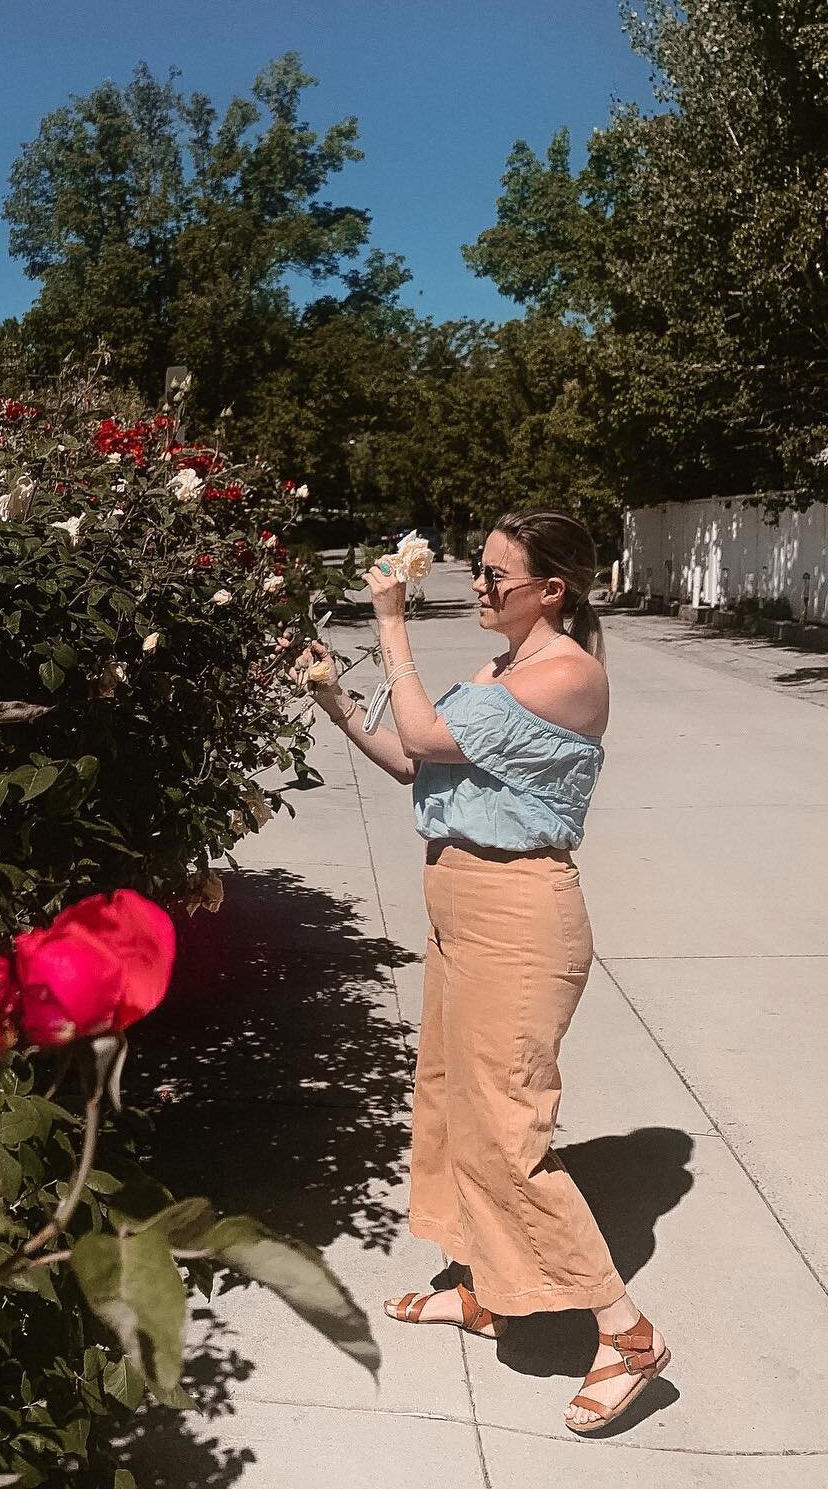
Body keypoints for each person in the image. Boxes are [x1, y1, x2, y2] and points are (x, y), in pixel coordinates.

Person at [298, 509, 670, 1436]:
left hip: (520, 911)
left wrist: (389, 623)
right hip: (457, 898)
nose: (481, 586)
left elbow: (422, 734)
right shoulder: (495, 671)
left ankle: (626, 1336)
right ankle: (489, 1287)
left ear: (555, 589)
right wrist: (335, 703)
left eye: (500, 576)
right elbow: (409, 762)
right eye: (482, 571)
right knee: (449, 1098)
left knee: (508, 1122)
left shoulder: (569, 674)